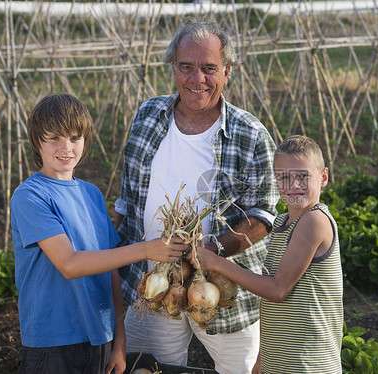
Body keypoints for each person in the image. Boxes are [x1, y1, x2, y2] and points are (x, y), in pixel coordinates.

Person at [114, 18, 279, 374]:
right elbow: (127, 201)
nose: (197, 79)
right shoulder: (147, 115)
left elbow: (264, 214)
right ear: (173, 67)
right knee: (148, 367)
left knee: (239, 368)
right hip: (154, 285)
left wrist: (215, 251)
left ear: (227, 71)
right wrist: (118, 267)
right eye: (186, 67)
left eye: (208, 69)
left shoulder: (250, 134)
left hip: (222, 287)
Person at [10, 93, 187, 374]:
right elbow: (68, 264)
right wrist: (145, 250)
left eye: (74, 137)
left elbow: (111, 270)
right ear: (36, 141)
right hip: (52, 341)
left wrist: (119, 337)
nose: (66, 147)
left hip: (100, 336)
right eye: (54, 138)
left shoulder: (91, 194)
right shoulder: (31, 196)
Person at [191, 135, 344, 374]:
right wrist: (262, 357)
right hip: (280, 360)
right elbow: (268, 300)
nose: (293, 185)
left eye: (302, 176)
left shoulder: (315, 221)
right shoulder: (283, 223)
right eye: (284, 177)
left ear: (323, 177)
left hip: (308, 362)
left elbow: (277, 290)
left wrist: (217, 263)